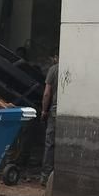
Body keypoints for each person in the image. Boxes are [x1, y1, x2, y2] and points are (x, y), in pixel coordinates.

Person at [40, 53, 59, 185]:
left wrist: (43, 111)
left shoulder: (53, 70)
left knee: (50, 143)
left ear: (56, 57)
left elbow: (47, 93)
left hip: (55, 110)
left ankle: (46, 177)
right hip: (70, 111)